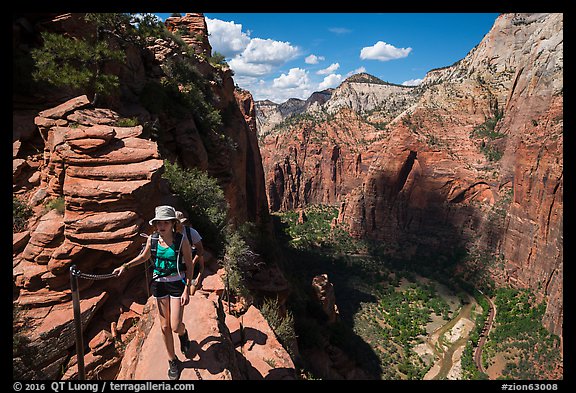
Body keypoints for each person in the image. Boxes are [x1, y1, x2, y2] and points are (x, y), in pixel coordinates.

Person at [113, 205, 197, 380]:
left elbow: (189, 265)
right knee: (164, 326)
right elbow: (144, 257)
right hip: (159, 284)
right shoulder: (153, 239)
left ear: (173, 223)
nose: (161, 225)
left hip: (176, 283)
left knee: (175, 325)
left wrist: (187, 289)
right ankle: (172, 360)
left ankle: (183, 333)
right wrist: (125, 266)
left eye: (165, 222)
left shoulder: (182, 240)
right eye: (159, 222)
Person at [176, 211, 205, 289]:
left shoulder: (191, 232)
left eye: (181, 222)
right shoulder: (169, 233)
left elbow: (200, 250)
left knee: (190, 289)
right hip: (177, 268)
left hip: (191, 268)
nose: (180, 224)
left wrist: (192, 263)